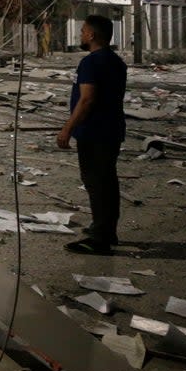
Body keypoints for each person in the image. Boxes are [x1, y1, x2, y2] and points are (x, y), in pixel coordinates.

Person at [56, 14, 128, 256]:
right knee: (107, 182)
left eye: (83, 31)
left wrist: (68, 128)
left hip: (94, 131)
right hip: (112, 129)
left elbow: (87, 99)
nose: (80, 35)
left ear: (92, 35)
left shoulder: (90, 63)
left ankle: (99, 239)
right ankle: (107, 230)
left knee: (97, 183)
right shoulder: (117, 62)